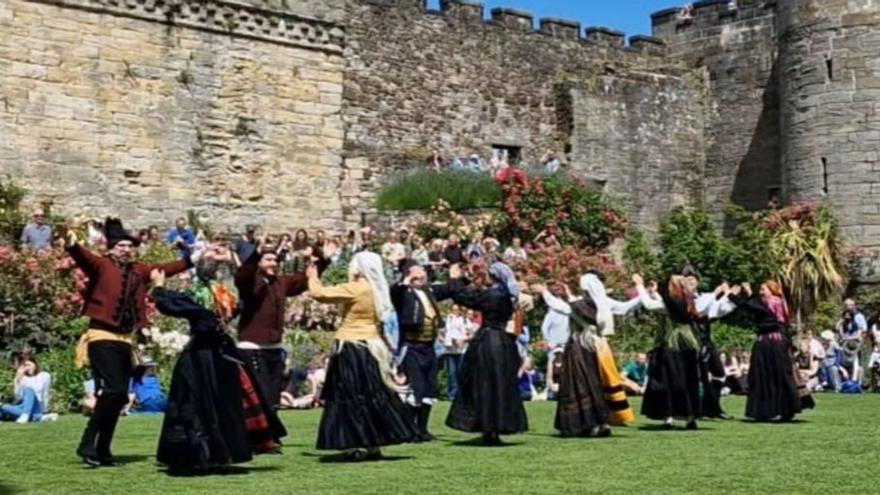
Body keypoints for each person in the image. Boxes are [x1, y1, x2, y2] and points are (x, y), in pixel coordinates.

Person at [67, 217, 192, 467]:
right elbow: (80, 255)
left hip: (125, 342)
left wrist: (188, 258)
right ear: (111, 248)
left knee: (121, 395)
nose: (126, 249)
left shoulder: (140, 271)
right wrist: (71, 242)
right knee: (113, 390)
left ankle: (102, 449)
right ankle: (87, 443)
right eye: (121, 246)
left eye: (129, 246)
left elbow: (166, 269)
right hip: (101, 337)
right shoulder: (101, 265)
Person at [149, 269, 286, 471]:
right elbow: (175, 306)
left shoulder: (224, 291)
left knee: (221, 405)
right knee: (198, 405)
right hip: (203, 357)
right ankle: (203, 454)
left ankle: (220, 453)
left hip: (216, 356)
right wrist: (159, 287)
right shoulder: (200, 295)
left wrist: (160, 288)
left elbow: (177, 305)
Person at [306, 252, 418, 461]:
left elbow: (319, 293)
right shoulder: (378, 289)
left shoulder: (357, 288)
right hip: (372, 347)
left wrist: (313, 275)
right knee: (373, 394)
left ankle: (353, 441)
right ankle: (374, 441)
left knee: (348, 394)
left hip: (351, 346)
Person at [235, 238, 327, 409]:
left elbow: (304, 279)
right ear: (259, 262)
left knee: (272, 402)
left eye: (275, 260)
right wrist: (256, 253)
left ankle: (271, 436)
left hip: (273, 350)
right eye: (268, 260)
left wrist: (320, 257)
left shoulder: (280, 283)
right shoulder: (251, 282)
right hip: (252, 349)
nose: (273, 263)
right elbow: (242, 275)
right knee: (253, 403)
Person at [444, 262, 528, 445]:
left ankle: (488, 427)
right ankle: (498, 425)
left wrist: (455, 279)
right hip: (504, 341)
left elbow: (466, 298)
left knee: (483, 383)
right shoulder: (509, 295)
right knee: (501, 383)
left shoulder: (493, 295)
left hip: (489, 341)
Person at [389, 261, 459, 442]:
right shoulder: (403, 293)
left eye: (422, 275)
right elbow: (394, 291)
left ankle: (422, 429)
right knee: (416, 387)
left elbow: (449, 288)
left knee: (429, 388)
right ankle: (408, 429)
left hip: (429, 347)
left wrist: (462, 276)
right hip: (411, 346)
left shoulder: (430, 292)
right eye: (417, 275)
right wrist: (405, 280)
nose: (421, 278)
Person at [635, 274, 708, 429]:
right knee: (690, 381)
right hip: (689, 346)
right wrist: (655, 293)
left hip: (672, 346)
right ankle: (690, 416)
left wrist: (640, 285)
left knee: (668, 381)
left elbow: (650, 305)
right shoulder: (689, 302)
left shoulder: (671, 303)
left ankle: (668, 416)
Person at [730, 281, 810, 421]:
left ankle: (786, 409)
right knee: (761, 375)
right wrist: (733, 297)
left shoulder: (775, 302)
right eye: (760, 290)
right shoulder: (763, 302)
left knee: (778, 375)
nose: (761, 292)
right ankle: (764, 411)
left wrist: (748, 294)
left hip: (775, 343)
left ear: (772, 290)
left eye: (763, 289)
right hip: (764, 342)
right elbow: (750, 307)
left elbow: (758, 308)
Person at [0, 356, 57, 423]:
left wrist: (44, 410)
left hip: (37, 405)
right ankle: (38, 417)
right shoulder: (23, 378)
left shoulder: (44, 375)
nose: (27, 368)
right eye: (24, 366)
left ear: (35, 364)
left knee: (29, 390)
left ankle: (28, 415)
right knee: (5, 407)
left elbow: (46, 394)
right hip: (24, 406)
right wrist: (18, 379)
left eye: (28, 365)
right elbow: (18, 397)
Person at [442, 304, 469, 401]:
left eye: (457, 309)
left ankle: (461, 394)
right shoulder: (448, 319)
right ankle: (452, 395)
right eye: (453, 309)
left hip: (461, 349)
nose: (455, 311)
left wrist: (463, 340)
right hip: (451, 349)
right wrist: (444, 339)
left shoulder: (464, 320)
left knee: (460, 372)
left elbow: (470, 333)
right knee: (452, 372)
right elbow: (443, 331)